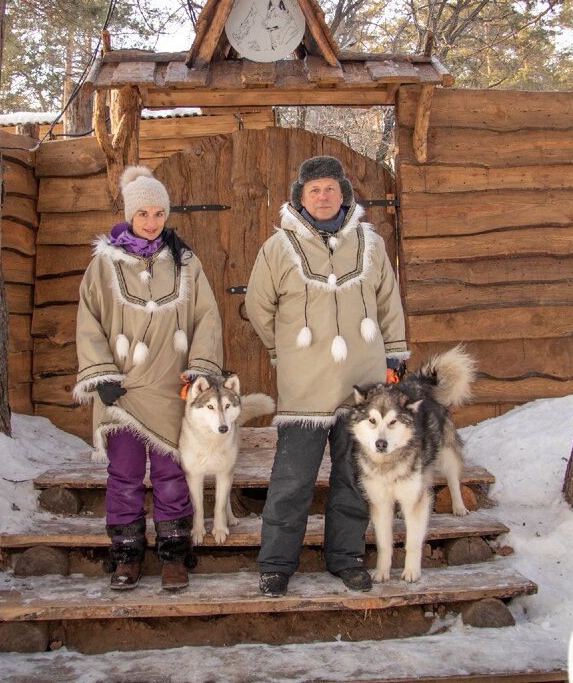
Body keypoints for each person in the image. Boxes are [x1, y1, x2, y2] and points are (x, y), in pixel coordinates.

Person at [245, 155, 409, 597]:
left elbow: (389, 303)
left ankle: (347, 558)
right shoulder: (277, 247)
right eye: (314, 190)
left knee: (355, 478)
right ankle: (276, 564)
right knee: (292, 481)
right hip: (305, 388)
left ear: (344, 195)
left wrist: (393, 356)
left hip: (364, 389)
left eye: (330, 189)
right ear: (301, 197)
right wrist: (284, 351)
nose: (322, 196)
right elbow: (258, 308)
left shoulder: (371, 245)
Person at [73, 165, 224, 592]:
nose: (153, 222)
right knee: (123, 475)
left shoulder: (184, 261)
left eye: (159, 214)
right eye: (145, 214)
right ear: (130, 214)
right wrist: (101, 373)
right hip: (119, 388)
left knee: (170, 473)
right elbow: (89, 320)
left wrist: (199, 370)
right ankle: (126, 555)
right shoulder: (103, 264)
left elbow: (206, 315)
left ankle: (174, 555)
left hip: (168, 387)